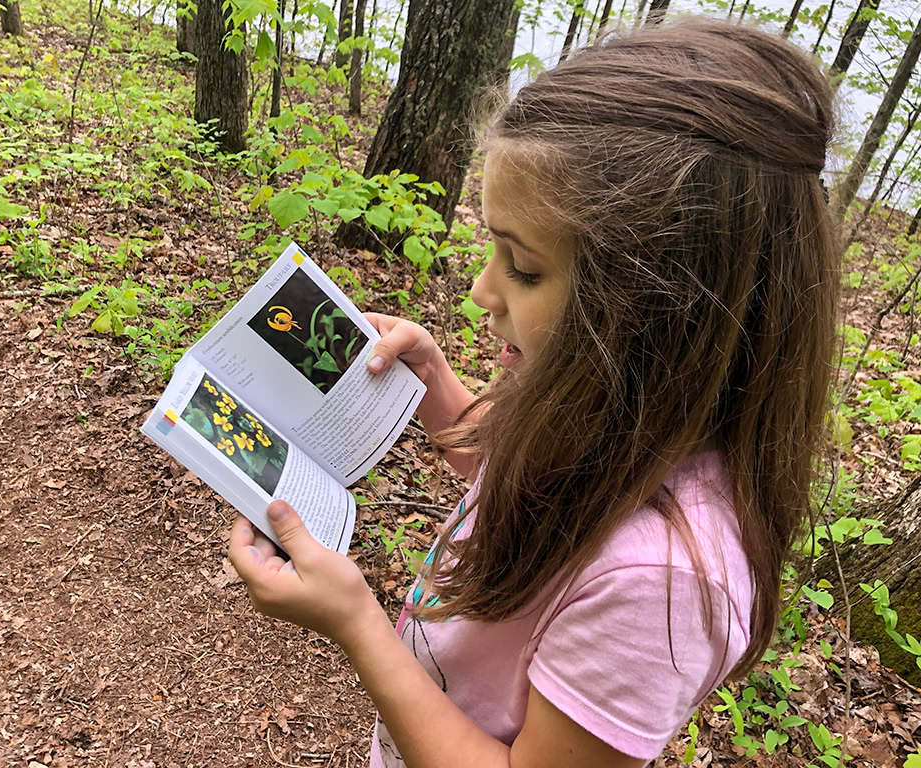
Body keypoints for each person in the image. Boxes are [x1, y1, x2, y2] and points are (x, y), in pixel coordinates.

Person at [228, 19, 838, 768]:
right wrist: (438, 390)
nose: (482, 291)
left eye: (522, 267)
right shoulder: (618, 410)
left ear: (663, 304)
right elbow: (529, 479)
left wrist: (357, 624)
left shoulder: (666, 585)